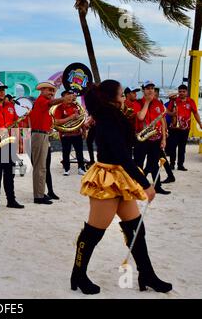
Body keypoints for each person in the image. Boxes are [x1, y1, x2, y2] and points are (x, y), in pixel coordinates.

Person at [71, 79, 172, 295]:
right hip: (107, 177)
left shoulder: (112, 115)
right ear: (113, 95)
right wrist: (145, 184)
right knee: (94, 232)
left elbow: (124, 146)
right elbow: (120, 154)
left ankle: (147, 274)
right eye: (120, 91)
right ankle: (78, 274)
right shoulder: (107, 118)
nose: (124, 94)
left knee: (136, 228)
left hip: (120, 174)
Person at [29, 81, 71, 204]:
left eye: (53, 90)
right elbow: (52, 102)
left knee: (42, 167)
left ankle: (41, 193)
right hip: (39, 135)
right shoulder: (42, 101)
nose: (51, 92)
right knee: (40, 167)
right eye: (49, 90)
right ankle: (38, 196)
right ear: (42, 90)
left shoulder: (44, 104)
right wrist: (63, 99)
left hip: (43, 135)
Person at [0, 81, 24, 212]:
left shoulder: (10, 106)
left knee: (10, 174)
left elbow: (15, 123)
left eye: (3, 89)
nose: (2, 92)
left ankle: (11, 200)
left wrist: (19, 141)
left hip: (9, 143)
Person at [135, 81, 170, 195]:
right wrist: (147, 102)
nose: (150, 90)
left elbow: (162, 120)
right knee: (139, 163)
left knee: (154, 164)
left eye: (152, 88)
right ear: (143, 90)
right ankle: (137, 187)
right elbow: (140, 117)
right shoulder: (138, 103)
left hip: (155, 138)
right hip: (142, 138)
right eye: (148, 88)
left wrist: (164, 138)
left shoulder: (158, 103)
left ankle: (157, 186)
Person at [166, 84, 202, 171]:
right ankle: (172, 164)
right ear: (178, 92)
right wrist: (172, 114)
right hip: (174, 128)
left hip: (185, 129)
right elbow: (166, 111)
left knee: (182, 148)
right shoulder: (174, 100)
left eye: (183, 91)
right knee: (172, 147)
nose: (181, 93)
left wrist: (200, 123)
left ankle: (180, 165)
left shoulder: (191, 101)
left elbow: (195, 113)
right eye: (180, 91)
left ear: (187, 92)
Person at [53, 91, 86, 176]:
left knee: (79, 152)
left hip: (77, 133)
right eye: (68, 95)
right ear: (63, 97)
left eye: (71, 95)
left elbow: (81, 119)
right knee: (66, 152)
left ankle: (81, 168)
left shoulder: (76, 106)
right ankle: (66, 169)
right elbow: (57, 122)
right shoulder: (59, 108)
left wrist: (84, 130)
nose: (70, 97)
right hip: (65, 134)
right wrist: (70, 117)